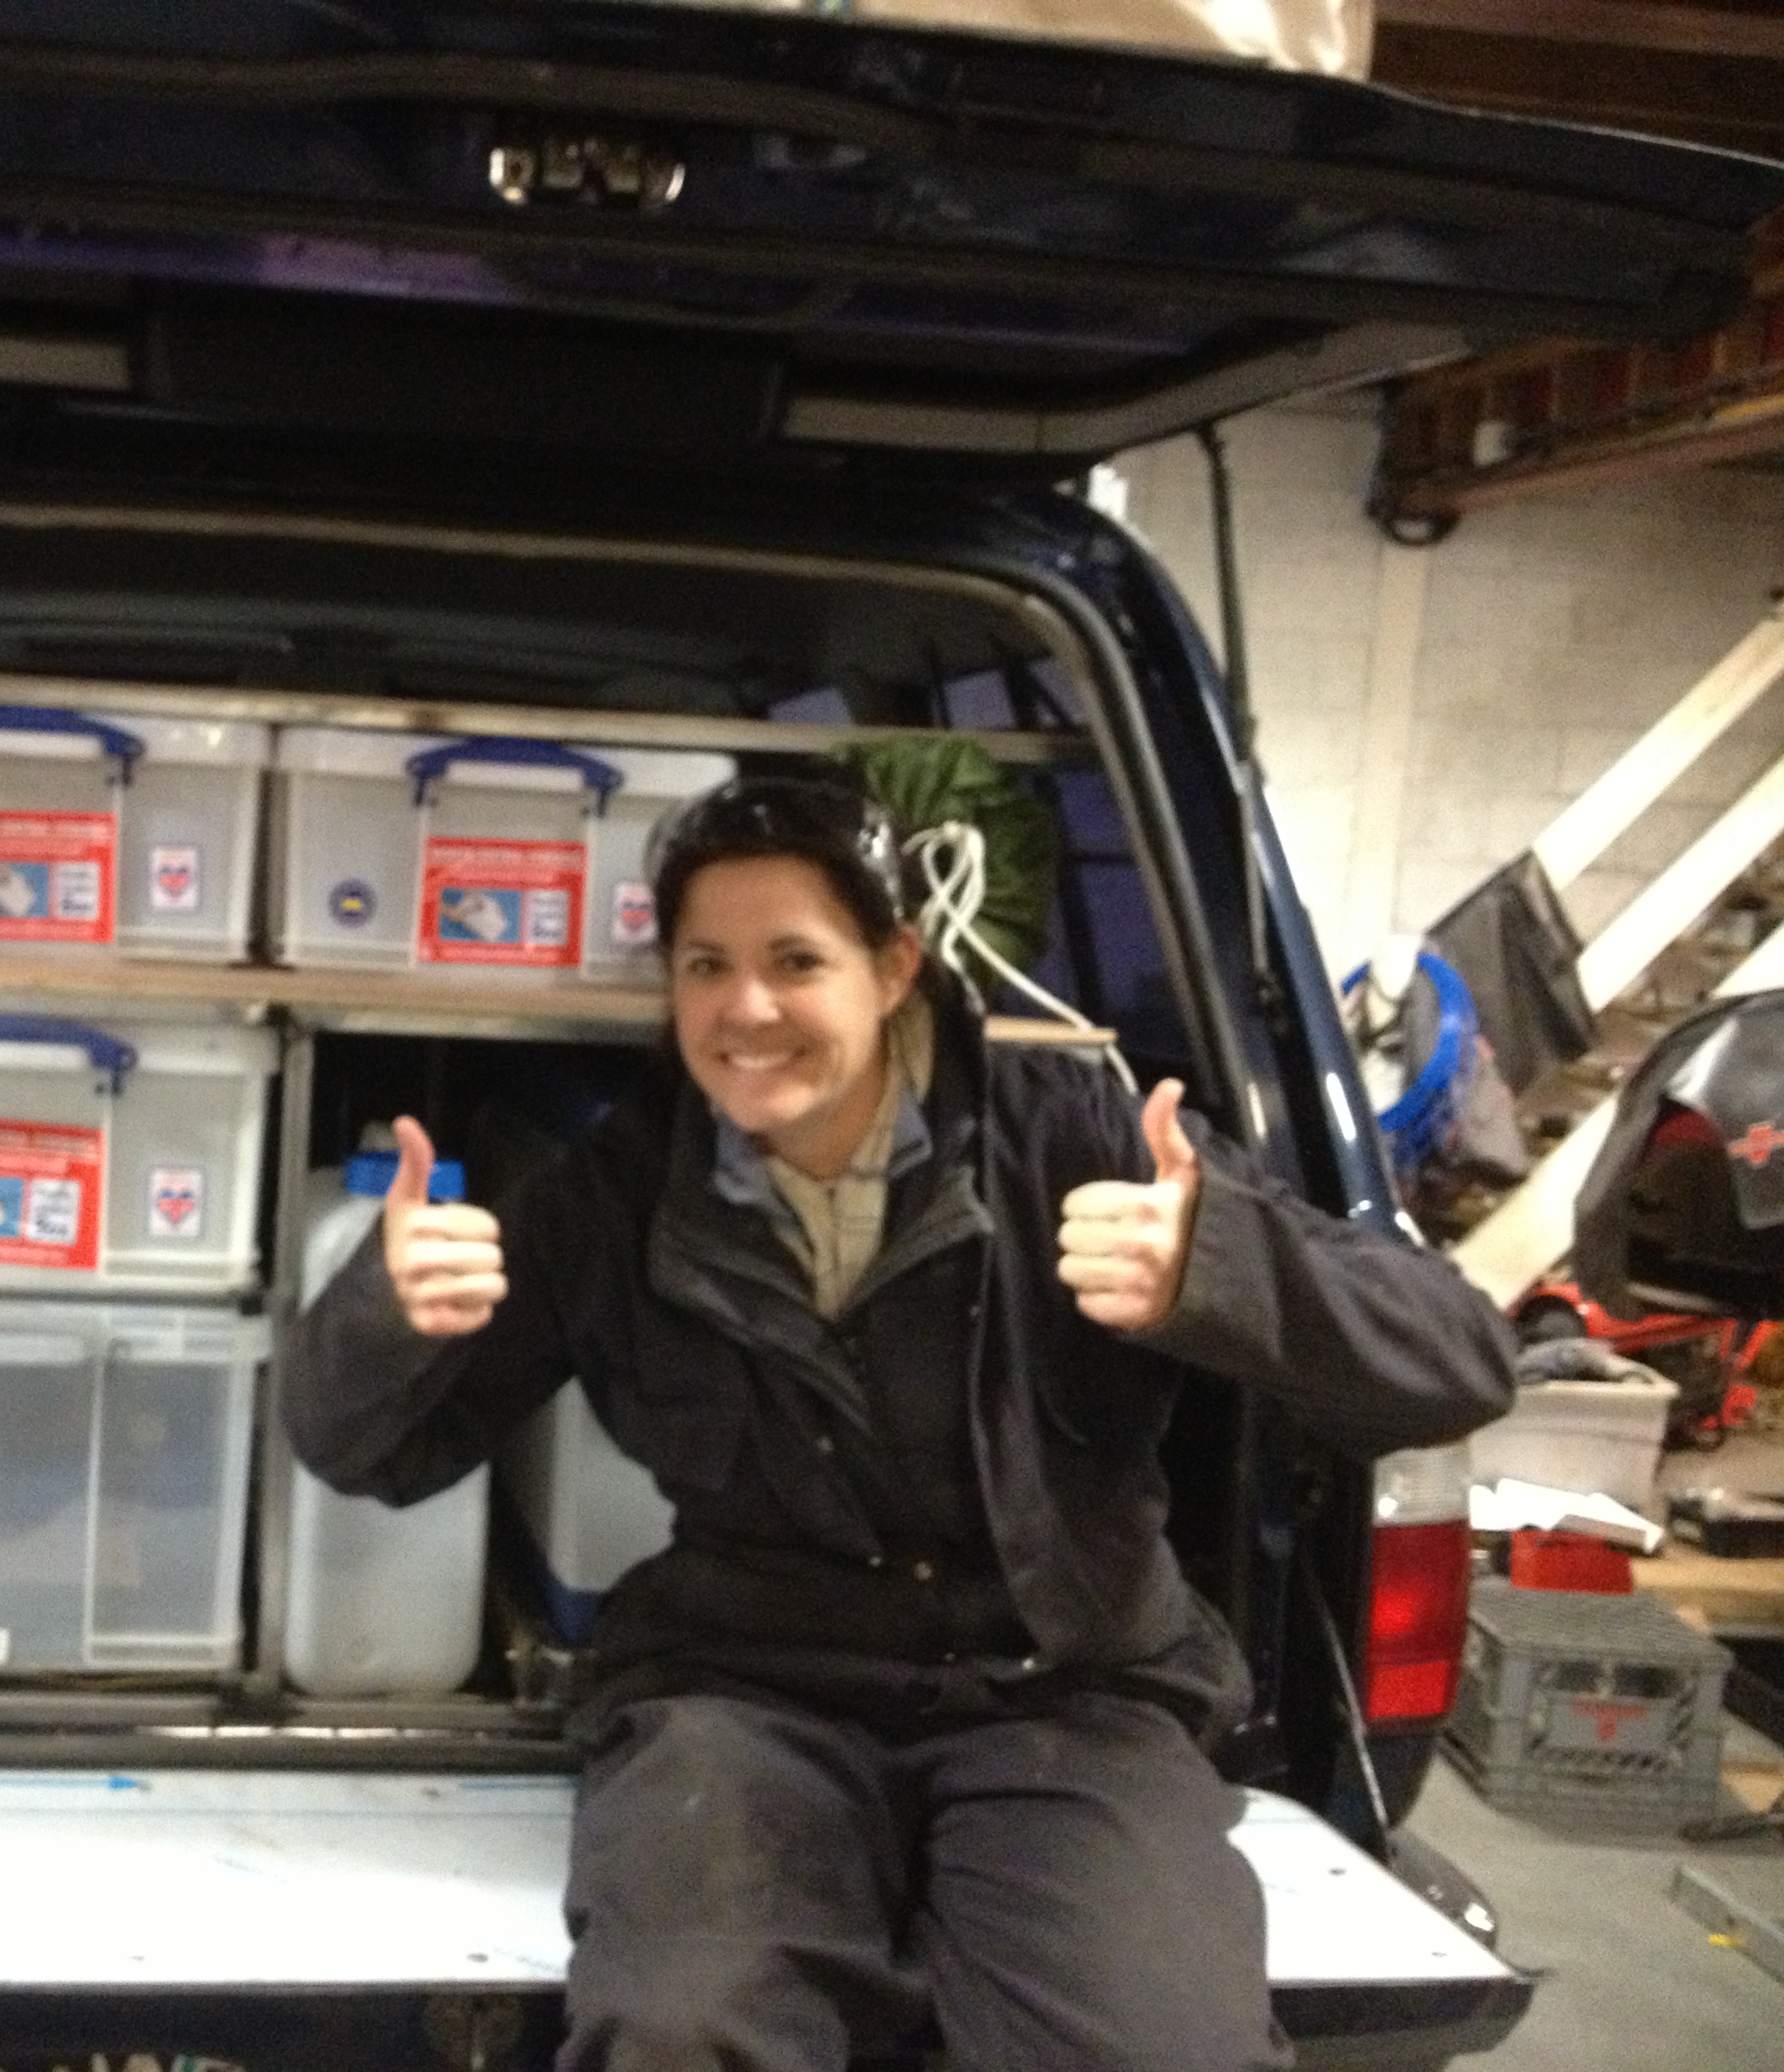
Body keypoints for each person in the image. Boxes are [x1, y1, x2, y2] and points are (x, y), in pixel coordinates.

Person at [284, 771, 1516, 2072]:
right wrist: (384, 1314)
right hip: (746, 1701)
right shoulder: (610, 1195)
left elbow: (1459, 1362)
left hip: (1070, 1702)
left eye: (795, 960)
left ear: (894, 967)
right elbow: (363, 1453)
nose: (746, 1008)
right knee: (682, 2026)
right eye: (706, 965)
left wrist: (1219, 1267)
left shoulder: (1079, 1137)